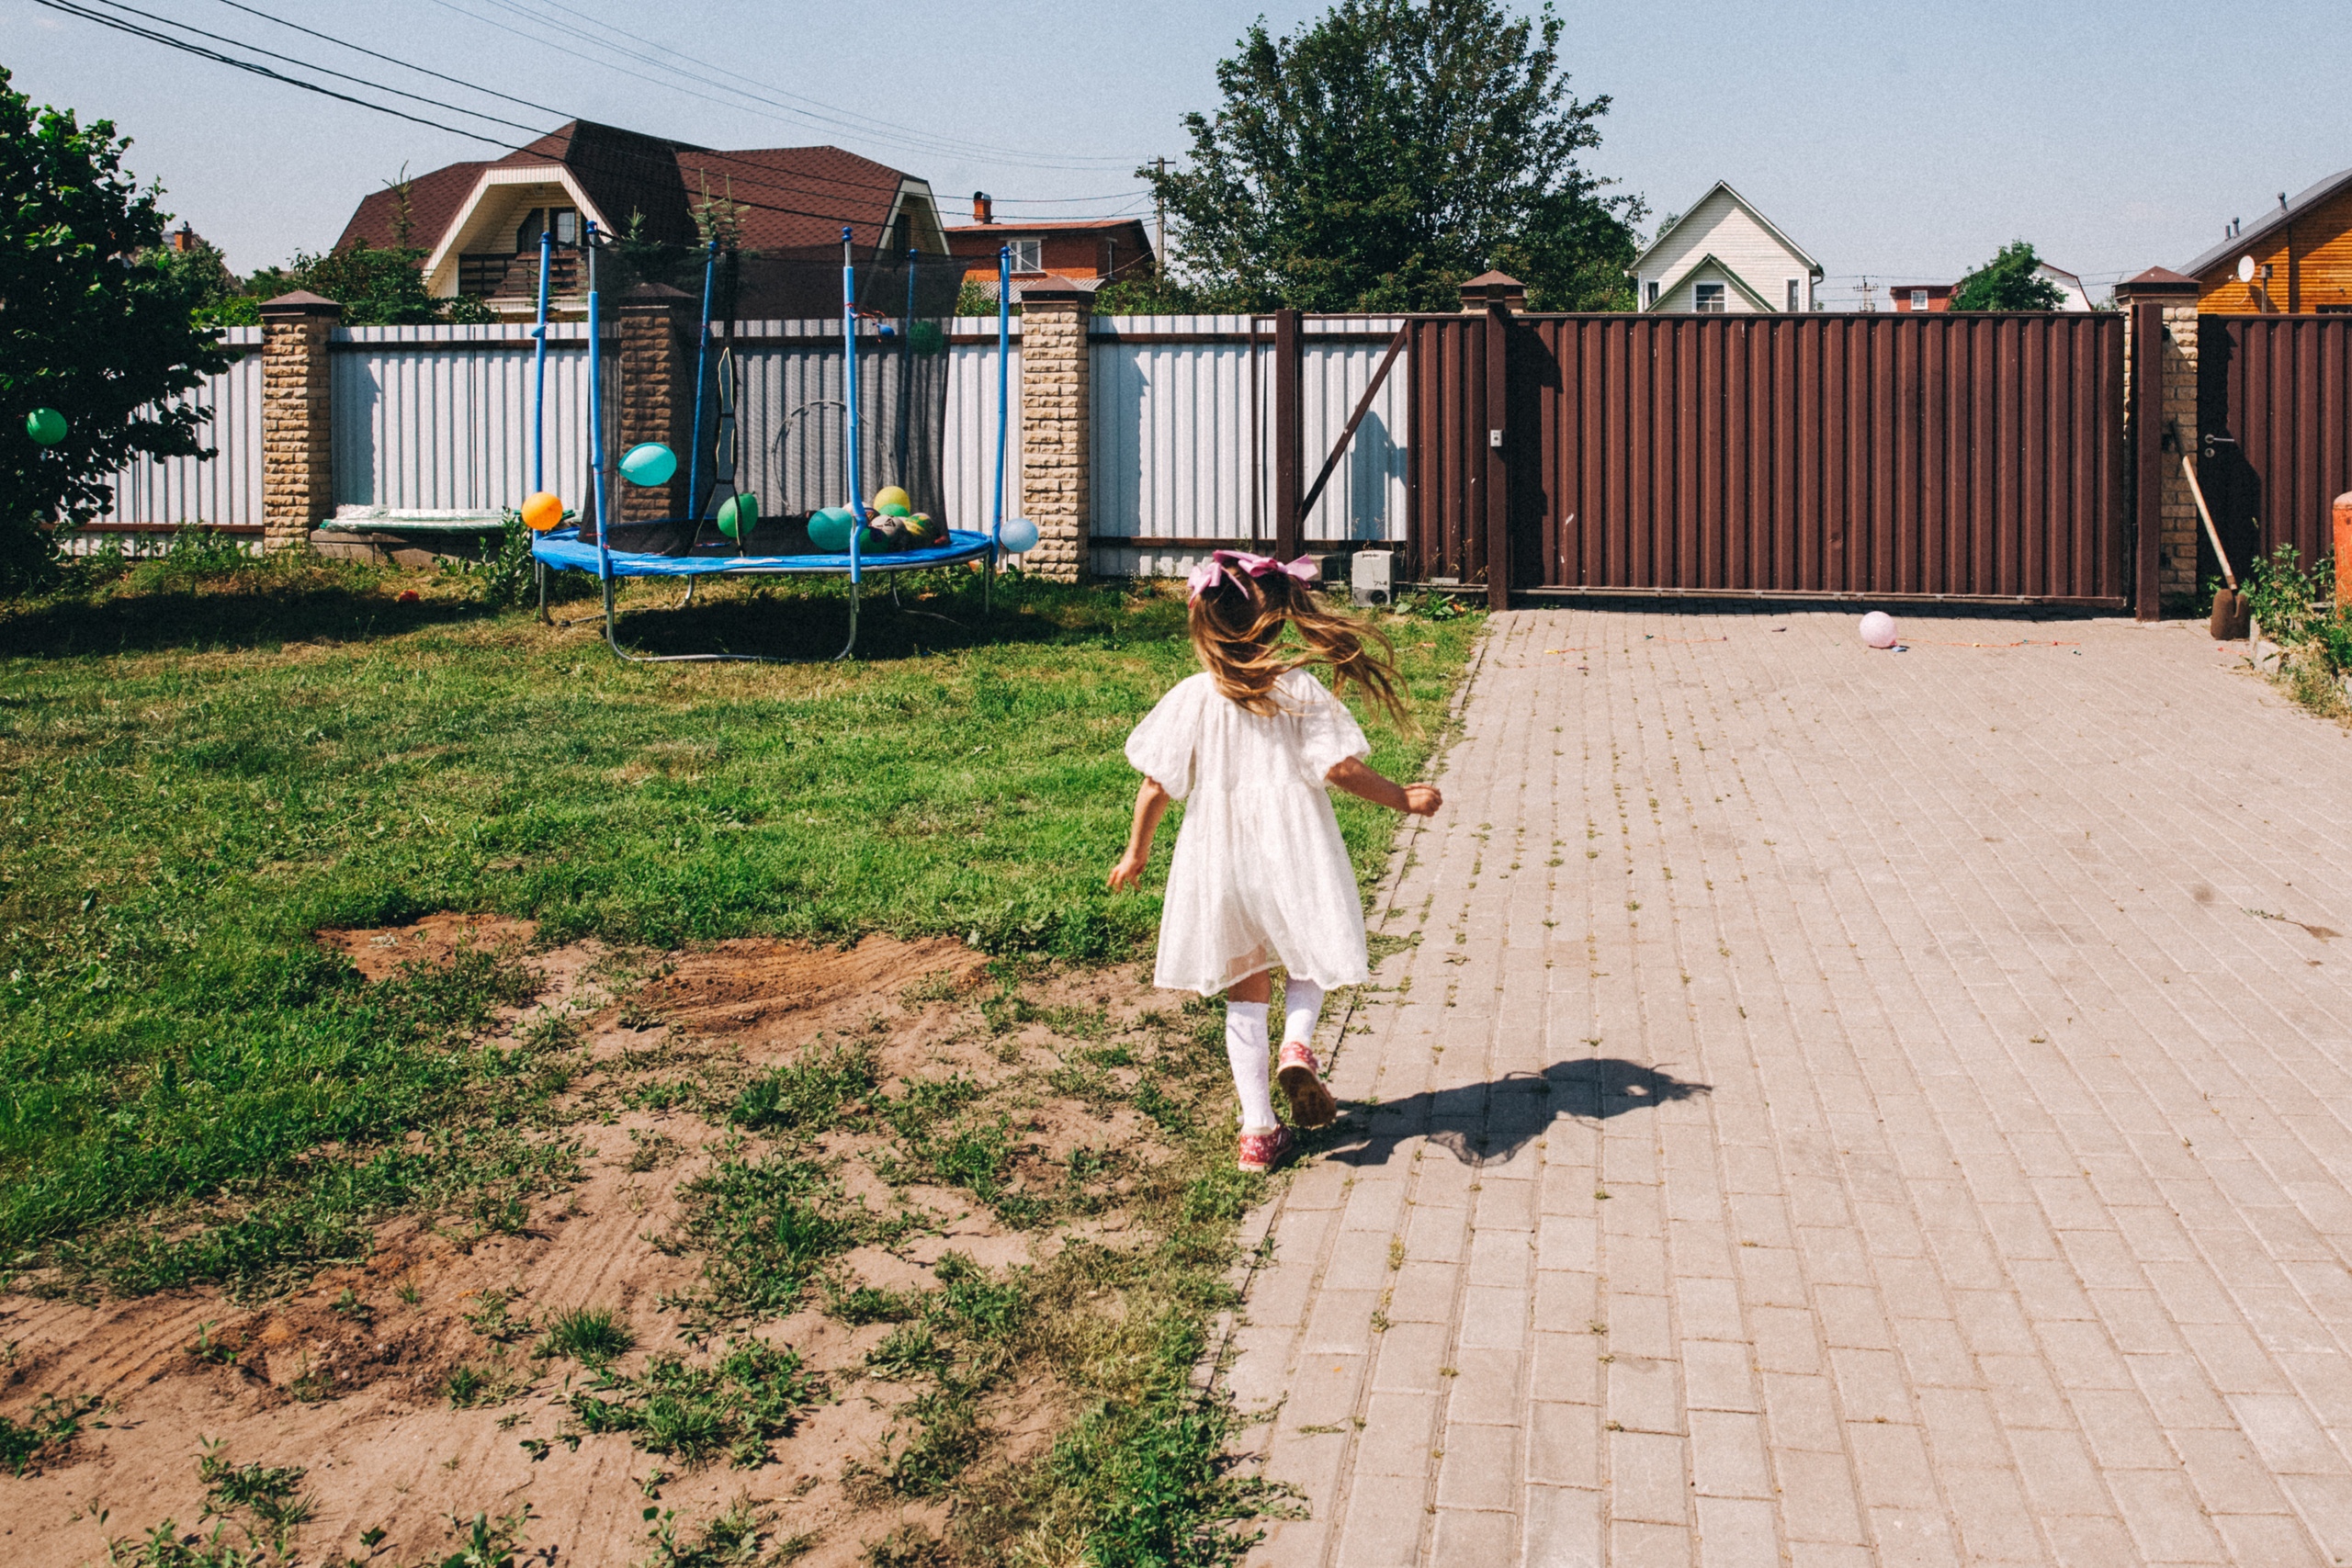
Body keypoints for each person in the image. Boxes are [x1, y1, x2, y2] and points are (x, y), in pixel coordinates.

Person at [1107, 550, 1443, 1174]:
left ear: (1205, 623)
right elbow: (1339, 768)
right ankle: (1299, 1042)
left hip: (1221, 856)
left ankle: (1258, 1131)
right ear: (1272, 619)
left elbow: (1156, 785)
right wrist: (1401, 796)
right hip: (1294, 847)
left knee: (1245, 983)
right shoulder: (1298, 691)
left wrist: (1136, 853)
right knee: (1308, 949)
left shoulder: (1193, 698)